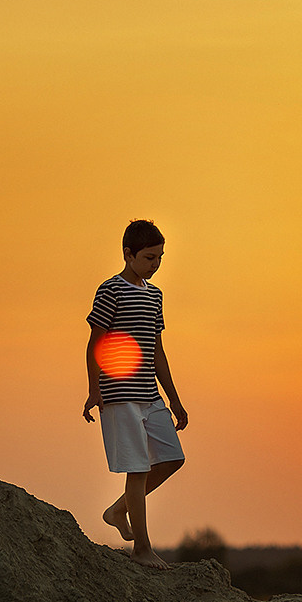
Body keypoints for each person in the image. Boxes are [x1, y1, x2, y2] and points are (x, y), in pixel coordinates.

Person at [83, 219, 188, 569]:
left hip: (150, 393)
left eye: (159, 257)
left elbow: (157, 349)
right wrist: (94, 390)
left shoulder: (154, 295)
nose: (155, 264)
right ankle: (141, 549)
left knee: (172, 457)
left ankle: (117, 510)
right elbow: (95, 342)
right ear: (128, 255)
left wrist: (174, 398)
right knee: (138, 469)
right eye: (148, 257)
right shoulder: (110, 290)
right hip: (119, 393)